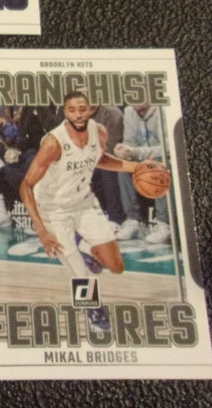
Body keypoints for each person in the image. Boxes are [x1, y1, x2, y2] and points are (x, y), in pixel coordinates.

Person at [19, 91, 162, 333]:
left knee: (116, 266)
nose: (78, 114)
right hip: (53, 210)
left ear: (90, 110)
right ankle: (93, 311)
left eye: (82, 109)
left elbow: (100, 159)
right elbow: (26, 186)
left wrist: (136, 167)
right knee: (80, 272)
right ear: (65, 113)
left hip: (84, 203)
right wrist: (42, 231)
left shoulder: (99, 131)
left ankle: (87, 249)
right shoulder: (54, 143)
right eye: (72, 110)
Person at [114, 104, 171, 244]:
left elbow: (169, 147)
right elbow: (130, 142)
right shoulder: (129, 111)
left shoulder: (163, 109)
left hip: (166, 160)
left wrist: (137, 152)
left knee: (160, 167)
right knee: (123, 166)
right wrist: (124, 150)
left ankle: (164, 223)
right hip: (143, 160)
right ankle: (134, 221)